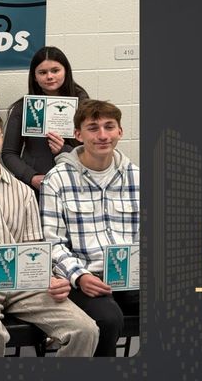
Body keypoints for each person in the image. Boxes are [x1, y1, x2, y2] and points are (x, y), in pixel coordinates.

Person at [0, 109, 98, 356]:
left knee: (85, 329)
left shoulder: (23, 192)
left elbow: (34, 251)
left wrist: (52, 280)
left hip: (25, 284)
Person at [39, 100, 139, 357]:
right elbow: (52, 243)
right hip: (84, 277)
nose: (102, 135)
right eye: (93, 128)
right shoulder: (57, 179)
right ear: (78, 135)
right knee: (108, 319)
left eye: (109, 127)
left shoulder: (137, 177)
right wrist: (80, 276)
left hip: (131, 277)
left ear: (120, 131)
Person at [2, 46, 90, 193]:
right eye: (42, 72)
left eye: (55, 70)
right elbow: (9, 154)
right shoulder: (24, 107)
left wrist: (64, 150)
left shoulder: (84, 105)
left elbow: (95, 149)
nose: (49, 76)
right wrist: (31, 177)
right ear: (34, 76)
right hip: (34, 189)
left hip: (76, 184)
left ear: (66, 71)